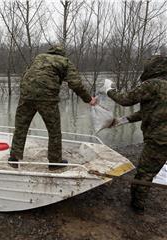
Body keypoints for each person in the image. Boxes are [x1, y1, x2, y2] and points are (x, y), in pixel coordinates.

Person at [9, 45, 97, 169]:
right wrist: (88, 99)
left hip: (26, 95)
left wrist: (26, 90)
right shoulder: (65, 62)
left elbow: (26, 73)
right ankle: (55, 163)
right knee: (54, 131)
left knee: (21, 127)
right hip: (47, 98)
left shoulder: (39, 57)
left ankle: (13, 158)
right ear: (62, 53)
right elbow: (75, 84)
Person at [102, 55, 167, 214]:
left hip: (159, 140)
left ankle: (137, 207)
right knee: (150, 171)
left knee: (145, 173)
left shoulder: (153, 84)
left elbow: (125, 100)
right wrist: (123, 120)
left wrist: (109, 90)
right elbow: (152, 111)